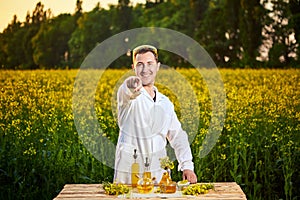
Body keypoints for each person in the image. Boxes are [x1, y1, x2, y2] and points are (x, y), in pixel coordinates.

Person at [114, 44, 197, 184]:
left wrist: (187, 166)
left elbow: (177, 136)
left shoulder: (165, 103)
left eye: (149, 64)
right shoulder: (128, 98)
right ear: (133, 68)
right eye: (140, 64)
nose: (145, 69)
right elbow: (126, 89)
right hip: (129, 178)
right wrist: (131, 84)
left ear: (157, 67)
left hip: (159, 177)